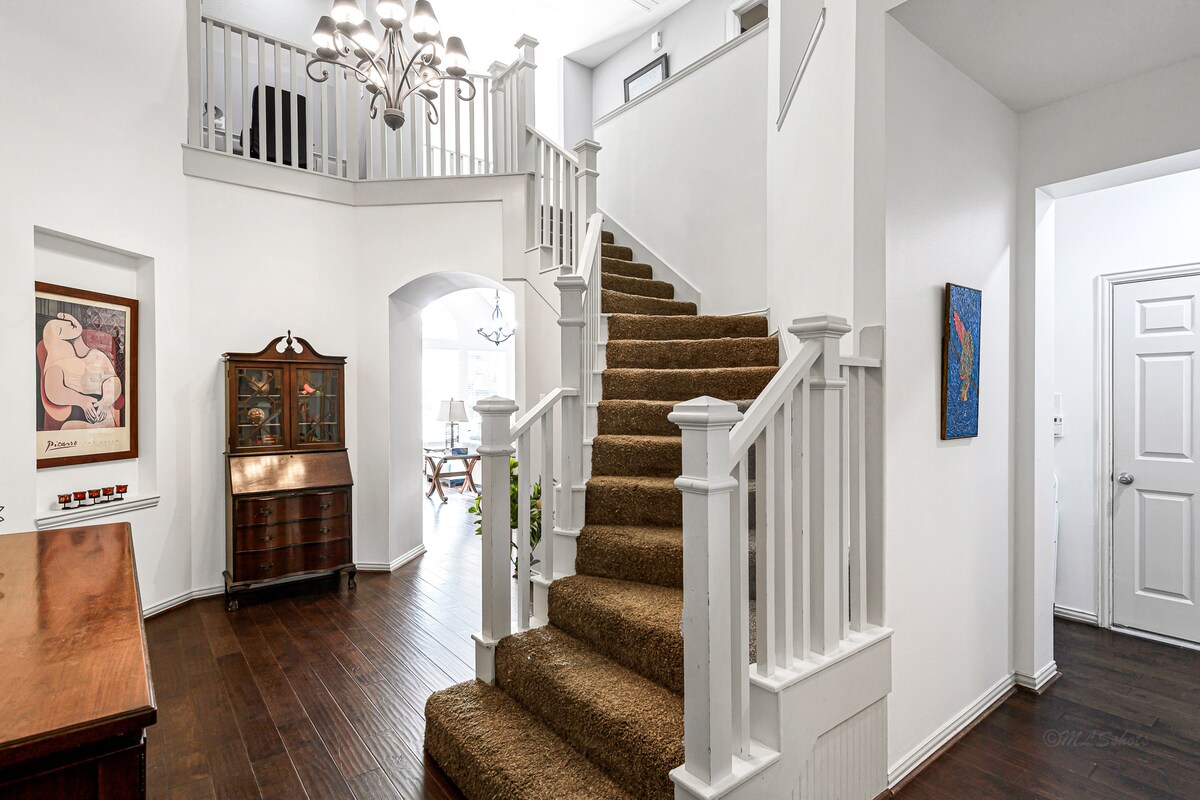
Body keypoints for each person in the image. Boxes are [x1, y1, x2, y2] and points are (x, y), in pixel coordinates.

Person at [41, 312, 122, 429]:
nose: (68, 325)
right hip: (74, 422)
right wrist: (82, 401)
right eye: (60, 329)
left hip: (106, 421)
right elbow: (54, 392)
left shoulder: (97, 355)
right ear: (58, 341)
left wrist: (106, 402)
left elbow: (113, 381)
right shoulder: (58, 364)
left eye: (66, 323)